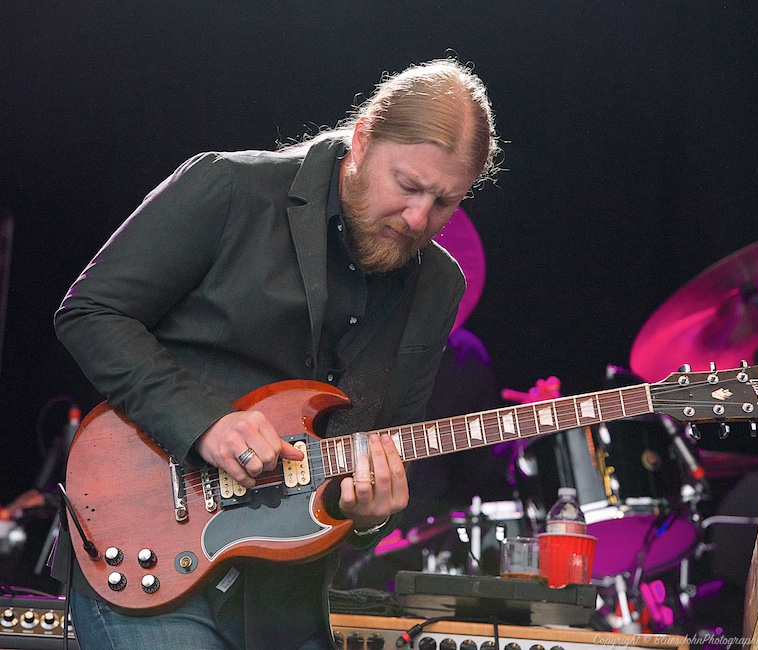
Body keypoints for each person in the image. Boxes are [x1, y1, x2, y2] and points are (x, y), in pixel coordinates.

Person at [52, 58, 499, 650]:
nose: (419, 218)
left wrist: (370, 513)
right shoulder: (229, 188)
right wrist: (205, 424)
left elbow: (377, 445)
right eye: (408, 186)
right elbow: (90, 312)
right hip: (149, 550)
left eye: (445, 202)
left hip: (284, 604)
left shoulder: (439, 284)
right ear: (362, 137)